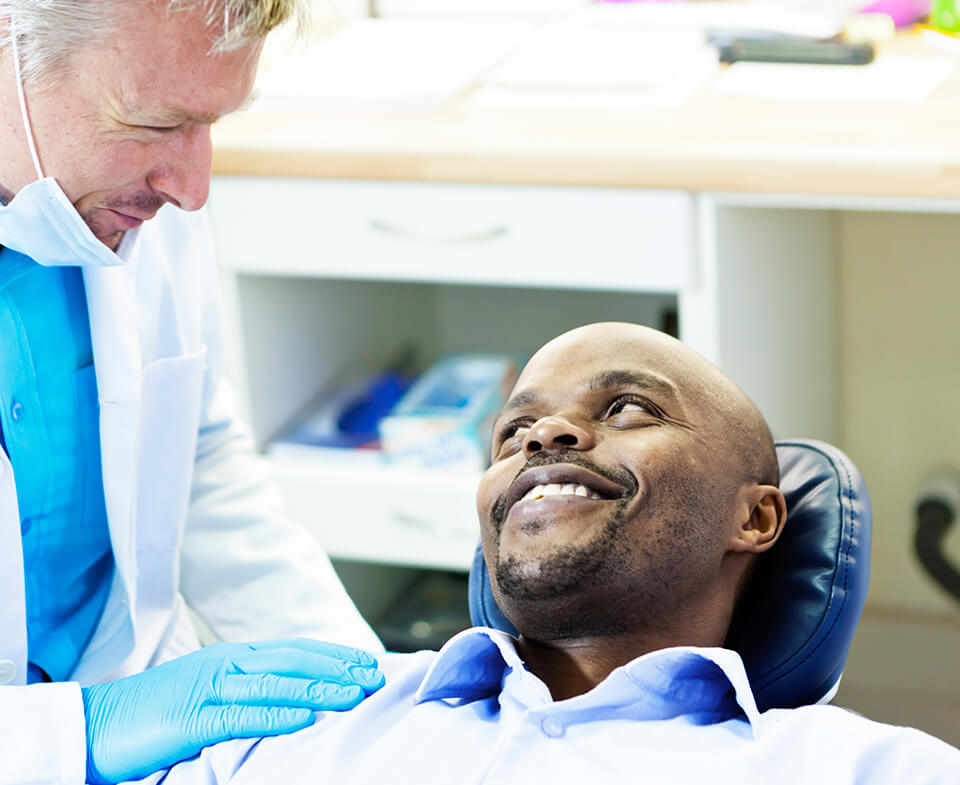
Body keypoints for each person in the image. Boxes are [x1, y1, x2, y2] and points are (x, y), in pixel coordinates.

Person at [128, 323, 960, 784]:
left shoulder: (862, 771)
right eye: (513, 432)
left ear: (755, 518)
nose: (545, 437)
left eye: (629, 408)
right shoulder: (299, 727)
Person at [0, 2, 385, 784]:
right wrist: (71, 735)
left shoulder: (132, 201)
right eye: (151, 124)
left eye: (209, 123)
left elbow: (195, 451)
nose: (193, 187)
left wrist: (371, 698)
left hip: (138, 718)